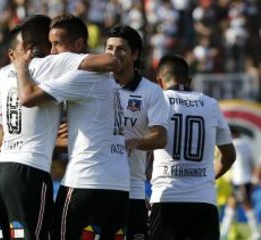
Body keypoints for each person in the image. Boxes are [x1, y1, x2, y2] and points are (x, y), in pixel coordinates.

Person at [0, 14, 120, 240]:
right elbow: (110, 62)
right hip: (29, 172)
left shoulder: (3, 75)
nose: (53, 49)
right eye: (51, 43)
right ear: (39, 45)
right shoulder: (52, 63)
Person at [149, 54, 236, 240]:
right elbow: (229, 156)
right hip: (203, 200)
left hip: (167, 198)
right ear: (189, 80)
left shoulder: (157, 100)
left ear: (159, 81)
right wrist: (206, 176)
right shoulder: (211, 104)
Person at [104, 25, 169, 240]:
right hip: (94, 186)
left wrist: (135, 142)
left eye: (121, 49)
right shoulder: (94, 85)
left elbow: (160, 137)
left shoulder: (150, 91)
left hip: (131, 190)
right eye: (109, 48)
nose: (113, 54)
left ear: (135, 54)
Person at [220, 127, 261, 240]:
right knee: (231, 205)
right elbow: (251, 162)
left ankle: (256, 233)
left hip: (240, 181)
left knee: (247, 206)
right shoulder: (246, 144)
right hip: (245, 180)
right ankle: (224, 233)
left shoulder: (235, 144)